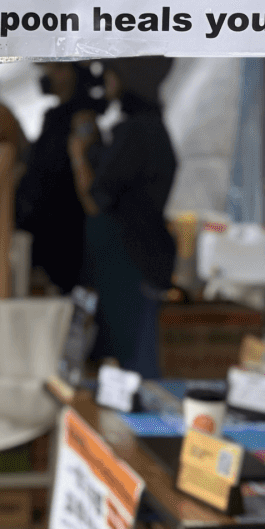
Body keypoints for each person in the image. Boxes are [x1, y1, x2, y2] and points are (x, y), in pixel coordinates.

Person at [68, 57, 177, 378]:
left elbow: (96, 199)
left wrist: (78, 155)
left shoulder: (136, 133)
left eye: (111, 74)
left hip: (129, 261)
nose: (106, 83)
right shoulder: (150, 130)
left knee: (129, 363)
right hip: (136, 259)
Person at [16, 62, 102, 293]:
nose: (45, 76)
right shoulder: (55, 115)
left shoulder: (83, 116)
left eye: (51, 70)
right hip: (46, 232)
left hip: (66, 235)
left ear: (69, 72)